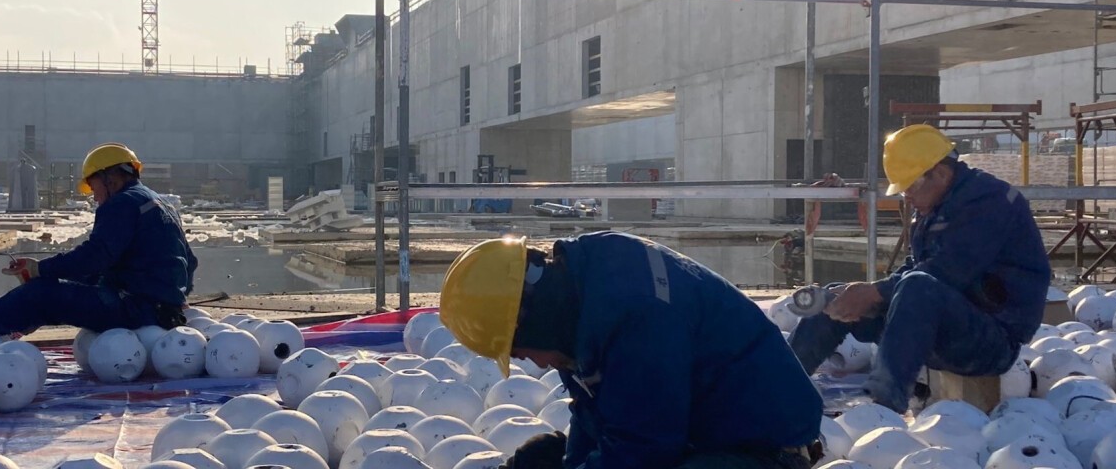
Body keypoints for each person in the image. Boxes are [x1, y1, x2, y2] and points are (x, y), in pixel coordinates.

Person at [440, 231, 823, 469]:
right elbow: (596, 413)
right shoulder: (577, 292)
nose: (533, 362)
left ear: (528, 318)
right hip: (697, 429)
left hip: (763, 451)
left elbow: (646, 446)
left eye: (521, 351)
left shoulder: (636, 316)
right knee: (542, 460)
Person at [788, 124, 1051, 413]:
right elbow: (919, 267)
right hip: (940, 327)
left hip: (992, 341)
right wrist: (858, 298)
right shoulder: (936, 207)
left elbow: (947, 272)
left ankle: (883, 406)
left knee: (916, 286)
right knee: (834, 300)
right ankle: (779, 383)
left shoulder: (989, 202)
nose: (906, 198)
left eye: (910, 186)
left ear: (939, 173)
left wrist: (875, 292)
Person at [0, 143, 198, 340]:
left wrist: (41, 270)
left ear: (110, 178)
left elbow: (95, 256)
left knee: (41, 294)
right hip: (161, 309)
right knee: (62, 287)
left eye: (93, 189)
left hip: (137, 309)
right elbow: (189, 262)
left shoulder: (121, 204)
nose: (94, 198)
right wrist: (173, 299)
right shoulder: (159, 203)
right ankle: (9, 325)